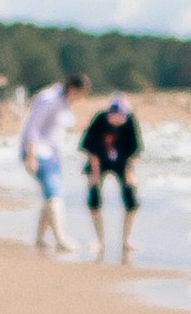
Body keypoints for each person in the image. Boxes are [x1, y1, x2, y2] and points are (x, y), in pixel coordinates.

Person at [18, 70, 88, 254]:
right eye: (82, 94)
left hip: (52, 152)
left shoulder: (64, 102)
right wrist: (30, 156)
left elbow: (60, 128)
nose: (82, 99)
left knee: (50, 197)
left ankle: (40, 238)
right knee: (55, 195)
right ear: (73, 89)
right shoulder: (49, 99)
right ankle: (61, 239)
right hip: (38, 151)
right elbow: (32, 126)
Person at [82, 90, 143, 261]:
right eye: (115, 115)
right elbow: (90, 148)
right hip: (99, 160)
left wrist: (129, 173)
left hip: (122, 161)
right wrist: (94, 175)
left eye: (120, 115)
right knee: (94, 197)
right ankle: (99, 240)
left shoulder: (130, 121)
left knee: (131, 198)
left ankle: (126, 240)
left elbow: (134, 150)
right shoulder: (100, 119)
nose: (117, 119)